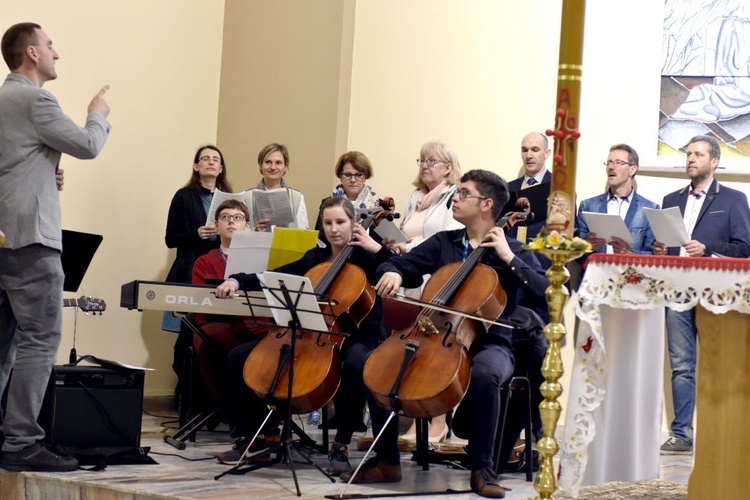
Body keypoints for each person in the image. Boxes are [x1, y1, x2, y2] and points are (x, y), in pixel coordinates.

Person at [371, 169, 549, 498]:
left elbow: (544, 290)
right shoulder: (445, 242)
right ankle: (387, 462)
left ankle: (482, 469)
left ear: (487, 204)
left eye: (464, 193)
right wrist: (393, 272)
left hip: (492, 341)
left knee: (485, 373)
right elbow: (402, 265)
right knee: (377, 364)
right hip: (433, 334)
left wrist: (509, 258)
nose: (456, 197)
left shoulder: (512, 250)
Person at [213, 198, 399, 474]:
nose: (334, 229)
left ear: (353, 224)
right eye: (328, 223)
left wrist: (378, 249)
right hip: (312, 334)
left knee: (357, 364)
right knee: (238, 356)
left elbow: (407, 272)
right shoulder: (315, 258)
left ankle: (342, 444)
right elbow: (276, 276)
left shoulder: (368, 259)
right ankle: (255, 436)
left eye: (340, 222)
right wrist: (237, 279)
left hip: (359, 336)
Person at [0, 22, 111, 472]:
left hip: (3, 235)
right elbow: (87, 145)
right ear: (31, 52)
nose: (55, 54)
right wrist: (97, 112)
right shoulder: (36, 98)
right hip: (31, 240)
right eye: (50, 46)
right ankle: (21, 442)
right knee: (40, 341)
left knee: (3, 344)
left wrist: (47, 172)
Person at [654, 135, 750, 454]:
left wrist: (707, 249)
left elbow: (744, 248)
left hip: (716, 293)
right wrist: (661, 248)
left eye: (698, 154)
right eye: (688, 154)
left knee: (718, 363)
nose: (691, 159)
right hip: (678, 290)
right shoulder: (671, 198)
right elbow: (668, 249)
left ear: (714, 161)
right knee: (681, 364)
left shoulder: (733, 199)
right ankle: (681, 433)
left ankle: (720, 431)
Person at [389, 141, 463, 443]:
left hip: (435, 281)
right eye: (422, 159)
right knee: (413, 351)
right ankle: (416, 414)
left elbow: (446, 241)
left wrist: (408, 248)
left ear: (448, 167)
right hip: (411, 281)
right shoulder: (415, 198)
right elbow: (409, 232)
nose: (425, 165)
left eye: (432, 160)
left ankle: (438, 420)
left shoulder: (450, 199)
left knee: (434, 354)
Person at [164, 145, 234, 404]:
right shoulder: (183, 196)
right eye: (205, 159)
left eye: (216, 159)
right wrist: (196, 234)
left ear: (222, 167)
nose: (211, 163)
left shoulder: (230, 199)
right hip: (191, 271)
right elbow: (170, 239)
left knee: (219, 336)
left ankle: (216, 400)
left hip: (223, 274)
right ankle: (188, 399)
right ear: (196, 166)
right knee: (188, 337)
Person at [190, 199, 267, 404]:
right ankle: (229, 405)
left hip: (257, 321)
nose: (231, 222)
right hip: (219, 322)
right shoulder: (204, 261)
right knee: (209, 339)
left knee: (282, 341)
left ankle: (268, 410)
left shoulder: (263, 260)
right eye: (225, 217)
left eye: (238, 218)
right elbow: (199, 305)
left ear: (247, 226)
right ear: (216, 225)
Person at [577, 144, 659, 254]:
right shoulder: (588, 206)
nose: (611, 167)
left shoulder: (650, 209)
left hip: (630, 271)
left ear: (632, 169)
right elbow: (576, 254)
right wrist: (587, 246)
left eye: (618, 162)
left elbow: (653, 254)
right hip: (597, 269)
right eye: (609, 162)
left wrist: (630, 254)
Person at [244, 143, 308, 231]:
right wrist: (255, 230)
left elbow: (303, 232)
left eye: (278, 163)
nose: (273, 167)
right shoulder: (247, 197)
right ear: (260, 166)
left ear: (285, 167)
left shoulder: (297, 197)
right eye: (268, 162)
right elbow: (240, 233)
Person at [507, 132, 552, 244]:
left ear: (546, 153)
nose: (528, 156)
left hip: (543, 258)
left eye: (535, 150)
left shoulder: (560, 189)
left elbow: (572, 233)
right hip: (509, 256)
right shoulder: (508, 188)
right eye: (525, 150)